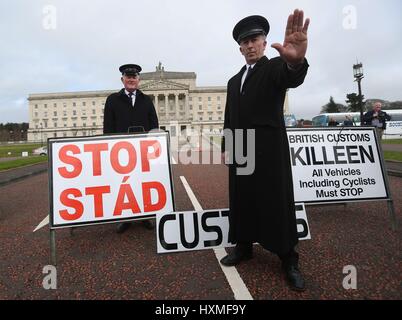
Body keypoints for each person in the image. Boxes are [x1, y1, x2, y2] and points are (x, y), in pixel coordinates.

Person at [220, 10, 310, 292]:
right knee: (242, 198)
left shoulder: (273, 67)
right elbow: (229, 116)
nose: (249, 45)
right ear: (240, 48)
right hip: (241, 150)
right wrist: (227, 146)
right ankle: (244, 247)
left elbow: (290, 76)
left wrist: (295, 62)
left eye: (254, 39)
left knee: (276, 203)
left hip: (269, 150)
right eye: (244, 42)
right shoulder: (234, 81)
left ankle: (288, 260)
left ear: (264, 42)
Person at [103, 64, 159, 233]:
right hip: (121, 151)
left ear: (138, 80)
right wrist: (109, 148)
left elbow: (154, 124)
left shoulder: (146, 100)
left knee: (143, 183)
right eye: (128, 77)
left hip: (142, 150)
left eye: (134, 77)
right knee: (124, 184)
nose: (131, 79)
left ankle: (144, 215)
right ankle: (125, 217)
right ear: (123, 80)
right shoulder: (112, 99)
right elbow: (108, 127)